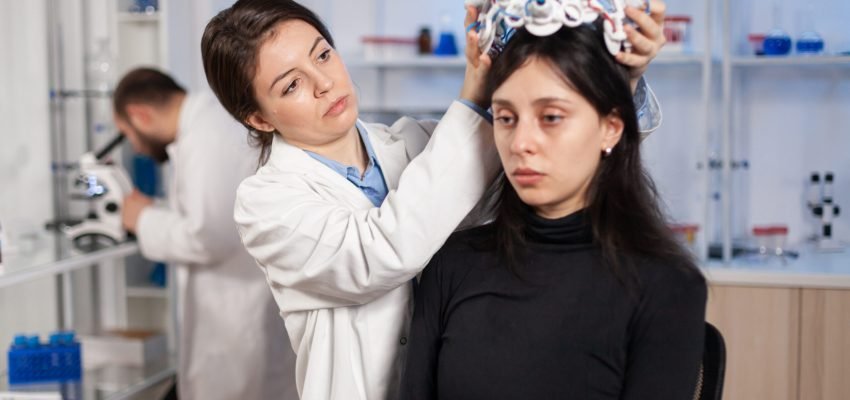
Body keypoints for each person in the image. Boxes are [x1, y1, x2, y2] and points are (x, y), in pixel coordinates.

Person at [200, 1, 667, 398]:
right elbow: (381, 252)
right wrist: (473, 93)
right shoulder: (265, 203)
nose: (324, 82)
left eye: (322, 55)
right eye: (291, 85)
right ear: (259, 118)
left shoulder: (414, 144)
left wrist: (622, 78)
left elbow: (553, 173)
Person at [400, 23, 707, 400]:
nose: (521, 143)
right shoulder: (451, 264)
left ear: (611, 128)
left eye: (551, 118)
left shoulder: (668, 285)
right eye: (506, 118)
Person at [114, 68, 298, 400]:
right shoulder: (205, 125)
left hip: (237, 318)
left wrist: (142, 219)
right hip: (238, 310)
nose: (137, 149)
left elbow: (209, 238)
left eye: (128, 133)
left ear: (139, 115)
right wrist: (153, 211)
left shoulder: (205, 137)